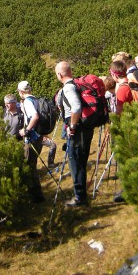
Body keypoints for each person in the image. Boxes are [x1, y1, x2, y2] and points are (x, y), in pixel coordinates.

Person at [55, 61, 93, 207]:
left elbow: (76, 107)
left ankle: (80, 197)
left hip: (78, 131)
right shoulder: (76, 84)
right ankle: (81, 194)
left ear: (59, 74)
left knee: (76, 162)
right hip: (85, 128)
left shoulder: (69, 88)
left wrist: (72, 125)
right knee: (80, 161)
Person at [17, 80, 45, 203]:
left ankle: (36, 196)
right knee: (31, 165)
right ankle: (35, 195)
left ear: (21, 92)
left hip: (32, 138)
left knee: (29, 167)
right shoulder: (35, 99)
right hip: (38, 136)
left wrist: (26, 130)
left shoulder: (28, 102)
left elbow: (35, 116)